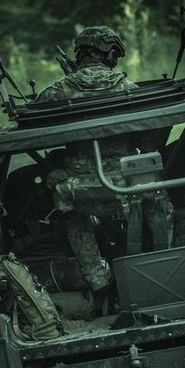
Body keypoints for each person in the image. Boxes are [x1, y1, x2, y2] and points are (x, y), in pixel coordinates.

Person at [33, 26, 145, 316]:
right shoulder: (127, 89)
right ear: (109, 55)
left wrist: (72, 79)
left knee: (68, 209)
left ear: (81, 54)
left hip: (77, 191)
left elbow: (33, 120)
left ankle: (98, 282)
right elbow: (150, 137)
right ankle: (144, 270)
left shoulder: (61, 90)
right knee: (158, 201)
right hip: (125, 188)